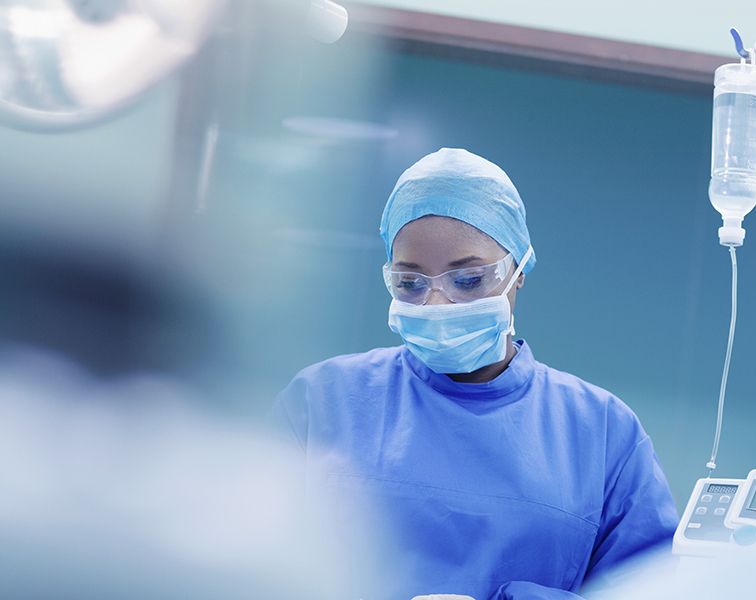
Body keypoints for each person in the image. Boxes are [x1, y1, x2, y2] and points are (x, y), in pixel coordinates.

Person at [273, 148, 678, 599]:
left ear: (518, 271)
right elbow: (237, 565)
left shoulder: (601, 431)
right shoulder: (321, 401)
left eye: (468, 280)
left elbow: (651, 589)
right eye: (410, 283)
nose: (437, 304)